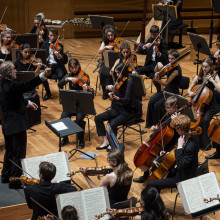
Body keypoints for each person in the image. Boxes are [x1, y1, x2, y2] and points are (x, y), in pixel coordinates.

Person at [0, 61, 51, 189]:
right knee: (19, 154)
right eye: (14, 69)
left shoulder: (2, 83)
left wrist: (27, 103)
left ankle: (5, 176)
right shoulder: (12, 84)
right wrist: (42, 75)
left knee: (10, 151)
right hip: (17, 124)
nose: (16, 71)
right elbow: (27, 86)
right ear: (9, 72)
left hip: (7, 124)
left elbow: (12, 98)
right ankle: (15, 182)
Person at [146, 114, 199, 192]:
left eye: (177, 130)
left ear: (180, 130)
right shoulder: (189, 135)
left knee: (150, 184)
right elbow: (183, 156)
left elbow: (181, 164)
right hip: (181, 171)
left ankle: (155, 199)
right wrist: (168, 154)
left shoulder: (191, 145)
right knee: (158, 163)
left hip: (183, 178)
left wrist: (180, 147)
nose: (177, 132)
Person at [95, 62, 141, 150]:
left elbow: (127, 100)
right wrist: (108, 89)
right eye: (116, 73)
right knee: (98, 118)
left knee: (111, 124)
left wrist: (116, 98)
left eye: (119, 73)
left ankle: (113, 144)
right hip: (117, 108)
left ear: (124, 72)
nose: (117, 75)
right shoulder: (118, 81)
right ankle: (106, 142)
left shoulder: (129, 83)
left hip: (128, 111)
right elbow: (107, 96)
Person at [133, 96, 179, 183]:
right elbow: (161, 126)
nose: (166, 110)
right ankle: (145, 176)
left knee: (153, 159)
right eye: (165, 107)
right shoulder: (168, 115)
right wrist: (155, 127)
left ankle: (153, 179)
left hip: (169, 145)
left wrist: (175, 122)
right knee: (147, 154)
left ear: (175, 107)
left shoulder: (178, 118)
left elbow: (177, 133)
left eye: (168, 108)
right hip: (160, 141)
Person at [187, 58, 220, 157]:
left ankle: (206, 144)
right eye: (203, 66)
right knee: (195, 119)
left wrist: (212, 81)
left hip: (211, 105)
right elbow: (189, 89)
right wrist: (190, 92)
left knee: (205, 121)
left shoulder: (215, 76)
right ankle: (195, 140)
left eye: (206, 67)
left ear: (211, 67)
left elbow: (219, 89)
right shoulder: (199, 77)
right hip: (199, 104)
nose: (204, 68)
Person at [58, 58, 93, 149]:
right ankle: (65, 138)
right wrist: (67, 79)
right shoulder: (69, 75)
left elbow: (91, 94)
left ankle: (81, 140)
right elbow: (59, 85)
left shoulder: (85, 76)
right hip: (72, 104)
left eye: (75, 67)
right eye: (72, 68)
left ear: (78, 66)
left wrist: (85, 90)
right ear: (69, 68)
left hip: (82, 105)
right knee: (63, 117)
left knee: (79, 119)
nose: (74, 70)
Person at [146, 49, 182, 128]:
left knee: (157, 105)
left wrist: (158, 80)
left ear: (176, 59)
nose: (170, 60)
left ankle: (159, 125)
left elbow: (166, 83)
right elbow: (156, 70)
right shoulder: (169, 65)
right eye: (169, 58)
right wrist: (158, 64)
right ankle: (150, 124)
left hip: (172, 91)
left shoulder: (176, 71)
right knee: (152, 100)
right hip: (166, 89)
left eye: (172, 59)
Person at [137, 25, 168, 93]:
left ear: (159, 32)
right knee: (136, 71)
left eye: (155, 35)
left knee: (155, 78)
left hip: (159, 67)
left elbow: (165, 57)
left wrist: (158, 52)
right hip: (150, 65)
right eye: (152, 35)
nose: (153, 37)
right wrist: (145, 46)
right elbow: (139, 49)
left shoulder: (163, 42)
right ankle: (139, 91)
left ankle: (159, 92)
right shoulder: (150, 40)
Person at [41, 27, 68, 101]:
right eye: (51, 35)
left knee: (60, 76)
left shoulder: (60, 45)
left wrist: (58, 56)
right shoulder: (45, 44)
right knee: (42, 76)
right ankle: (48, 92)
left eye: (54, 36)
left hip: (58, 66)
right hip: (49, 65)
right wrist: (44, 59)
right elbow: (41, 55)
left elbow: (63, 60)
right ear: (48, 35)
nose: (52, 37)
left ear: (56, 36)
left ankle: (61, 93)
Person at [98, 24, 119, 99]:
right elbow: (99, 51)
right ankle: (105, 90)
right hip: (106, 63)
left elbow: (120, 52)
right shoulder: (104, 42)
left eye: (112, 35)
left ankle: (111, 91)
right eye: (109, 36)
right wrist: (105, 47)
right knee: (103, 72)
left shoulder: (116, 41)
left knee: (112, 72)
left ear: (114, 34)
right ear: (106, 36)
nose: (110, 37)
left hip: (115, 63)